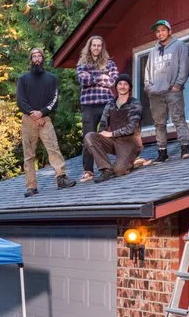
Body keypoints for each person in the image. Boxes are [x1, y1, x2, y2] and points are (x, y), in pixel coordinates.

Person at [17, 48, 76, 197]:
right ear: (30, 59)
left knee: (53, 149)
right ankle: (31, 186)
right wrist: (34, 114)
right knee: (29, 155)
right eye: (34, 56)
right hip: (28, 120)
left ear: (43, 59)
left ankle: (61, 178)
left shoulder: (51, 78)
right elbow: (20, 100)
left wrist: (42, 112)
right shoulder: (23, 79)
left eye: (39, 56)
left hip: (45, 119)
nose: (37, 59)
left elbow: (54, 100)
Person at [144, 19, 189, 162]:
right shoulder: (153, 51)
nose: (160, 33)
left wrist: (178, 84)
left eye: (163, 30)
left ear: (169, 31)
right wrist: (148, 88)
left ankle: (185, 147)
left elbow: (185, 66)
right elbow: (147, 71)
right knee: (159, 123)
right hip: (155, 93)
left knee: (178, 118)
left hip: (173, 90)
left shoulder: (179, 45)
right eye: (157, 31)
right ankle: (162, 151)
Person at [83, 74, 143, 183]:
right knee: (89, 137)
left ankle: (132, 161)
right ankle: (106, 169)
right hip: (114, 142)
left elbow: (132, 128)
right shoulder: (110, 104)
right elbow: (102, 126)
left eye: (125, 84)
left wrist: (111, 134)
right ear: (116, 87)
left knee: (119, 171)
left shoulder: (135, 103)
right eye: (120, 84)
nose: (122, 86)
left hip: (130, 143)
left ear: (129, 87)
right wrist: (101, 135)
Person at [75, 35, 119, 181]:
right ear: (89, 46)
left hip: (106, 103)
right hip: (88, 105)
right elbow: (83, 79)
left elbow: (113, 80)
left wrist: (93, 77)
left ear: (102, 48)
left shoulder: (110, 63)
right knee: (88, 137)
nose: (96, 48)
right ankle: (88, 170)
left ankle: (125, 159)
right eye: (94, 45)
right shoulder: (82, 63)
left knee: (112, 133)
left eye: (99, 45)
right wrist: (101, 76)